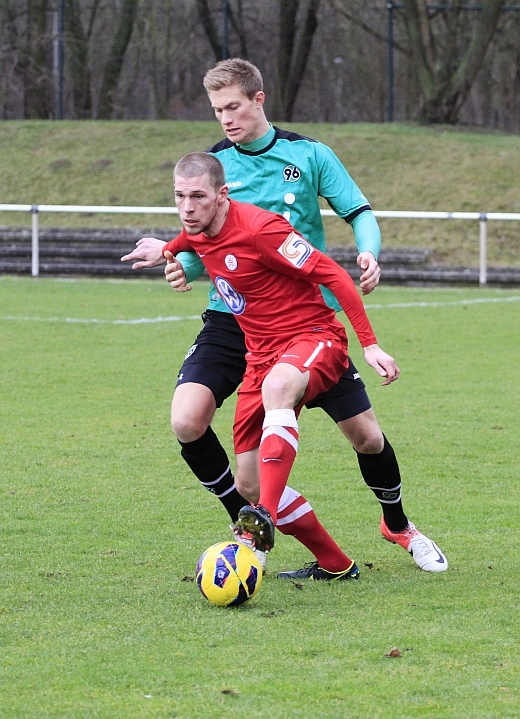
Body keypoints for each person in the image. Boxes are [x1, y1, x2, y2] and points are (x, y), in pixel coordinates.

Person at [122, 58, 448, 576]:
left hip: (304, 320)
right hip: (235, 323)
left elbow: (355, 215)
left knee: (366, 437)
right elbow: (204, 242)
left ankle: (397, 525)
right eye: (217, 110)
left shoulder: (307, 155)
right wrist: (174, 259)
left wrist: (368, 253)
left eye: (233, 106)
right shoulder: (211, 166)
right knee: (190, 422)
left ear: (259, 99)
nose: (225, 119)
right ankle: (259, 524)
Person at [163, 151, 400, 580]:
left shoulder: (261, 229)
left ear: (222, 194)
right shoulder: (197, 228)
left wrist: (370, 345)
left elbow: (333, 275)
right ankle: (336, 565)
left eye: (197, 196)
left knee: (288, 395)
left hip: (312, 336)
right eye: (180, 196)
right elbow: (185, 240)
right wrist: (164, 249)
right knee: (248, 484)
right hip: (259, 355)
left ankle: (260, 523)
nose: (187, 207)